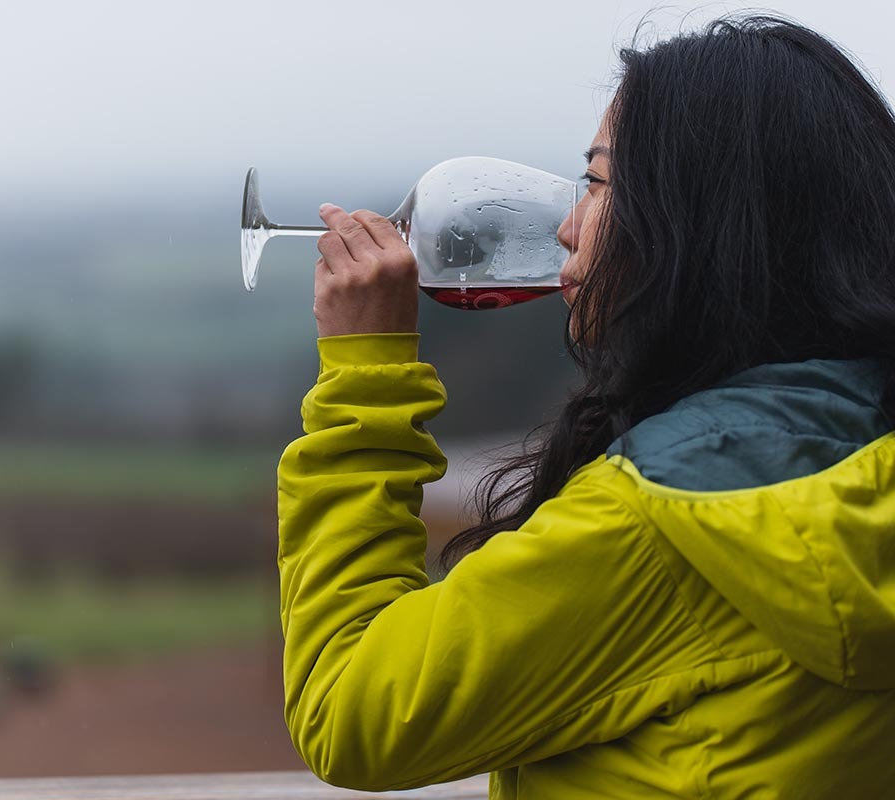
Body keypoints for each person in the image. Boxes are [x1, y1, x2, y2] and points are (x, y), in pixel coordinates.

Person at [276, 14, 895, 799]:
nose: (568, 228)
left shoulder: (660, 522)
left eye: (598, 184)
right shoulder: (866, 457)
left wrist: (363, 378)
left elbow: (354, 711)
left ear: (694, 223)